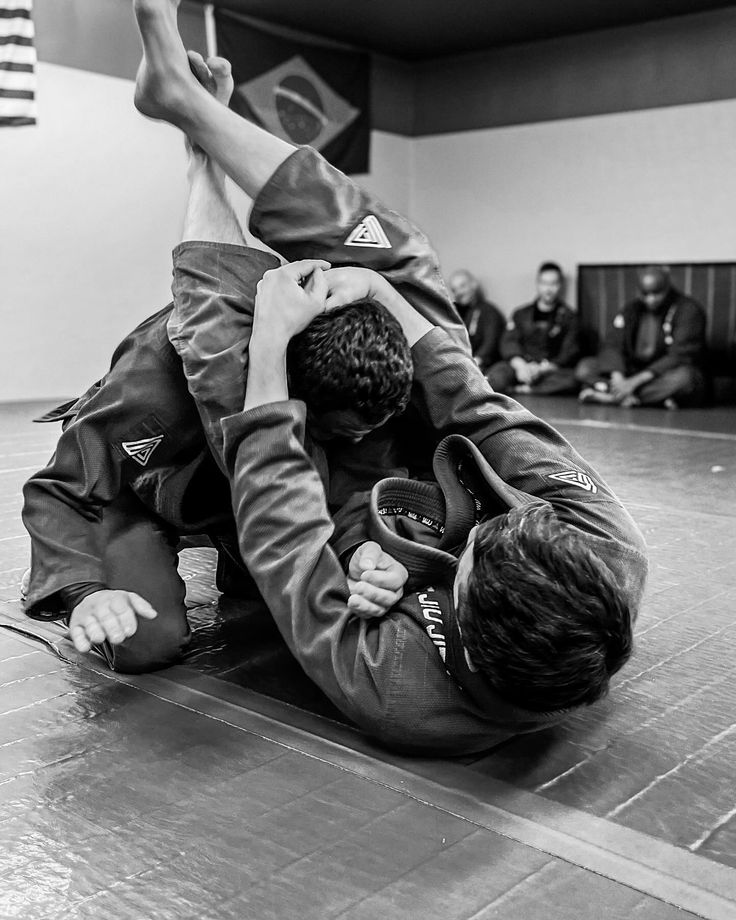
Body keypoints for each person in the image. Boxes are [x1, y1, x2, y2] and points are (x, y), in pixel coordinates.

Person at [108, 0, 649, 755]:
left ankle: (199, 158)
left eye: (461, 573)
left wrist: (270, 345)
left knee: (227, 375)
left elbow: (282, 537)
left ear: (459, 620)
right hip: (425, 436)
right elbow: (473, 402)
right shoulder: (606, 547)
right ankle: (190, 105)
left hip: (327, 495)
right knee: (405, 257)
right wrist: (379, 293)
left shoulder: (401, 689)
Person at [21, 51, 466, 672]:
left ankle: (199, 127)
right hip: (158, 495)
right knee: (141, 642)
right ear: (296, 388)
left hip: (236, 491)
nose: (360, 441)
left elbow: (351, 491)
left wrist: (377, 551)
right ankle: (195, 131)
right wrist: (82, 593)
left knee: (290, 588)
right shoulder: (162, 373)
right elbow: (59, 489)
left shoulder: (380, 376)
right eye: (342, 431)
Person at [576, 266, 707, 408]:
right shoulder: (632, 309)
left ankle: (613, 397)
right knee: (585, 367)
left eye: (656, 293)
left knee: (686, 379)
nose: (650, 299)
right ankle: (644, 398)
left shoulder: (688, 310)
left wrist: (633, 383)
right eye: (645, 294)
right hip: (632, 370)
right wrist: (617, 376)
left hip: (662, 372)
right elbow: (612, 343)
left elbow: (680, 355)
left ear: (667, 288)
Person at [487, 262, 579, 395]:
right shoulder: (520, 314)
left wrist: (542, 369)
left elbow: (569, 352)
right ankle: (522, 387)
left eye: (553, 284)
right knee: (496, 376)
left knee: (573, 380)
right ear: (537, 284)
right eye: (544, 283)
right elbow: (508, 342)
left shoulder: (570, 317)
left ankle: (527, 390)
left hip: (549, 370)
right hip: (520, 366)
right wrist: (521, 366)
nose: (548, 289)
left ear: (560, 285)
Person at [448, 269, 504, 373]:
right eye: (454, 290)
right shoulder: (453, 314)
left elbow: (490, 343)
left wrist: (476, 361)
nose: (459, 292)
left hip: (484, 366)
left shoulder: (488, 312)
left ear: (474, 284)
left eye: (462, 286)